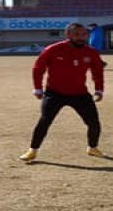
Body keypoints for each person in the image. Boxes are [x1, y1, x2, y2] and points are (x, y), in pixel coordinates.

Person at [19, 23, 105, 163]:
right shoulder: (53, 49)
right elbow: (38, 68)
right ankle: (32, 150)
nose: (81, 37)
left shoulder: (91, 52)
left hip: (80, 94)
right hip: (54, 94)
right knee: (44, 121)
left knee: (94, 123)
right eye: (77, 34)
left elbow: (97, 71)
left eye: (84, 34)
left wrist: (99, 89)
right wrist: (38, 88)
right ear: (68, 35)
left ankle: (92, 147)